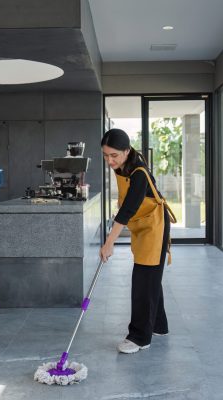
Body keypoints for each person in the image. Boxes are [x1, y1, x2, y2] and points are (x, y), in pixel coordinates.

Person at [100, 128, 176, 354]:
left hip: (154, 226)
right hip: (142, 225)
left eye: (114, 155)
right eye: (105, 155)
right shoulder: (123, 165)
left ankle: (140, 337)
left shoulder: (139, 172)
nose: (109, 160)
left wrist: (109, 243)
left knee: (144, 279)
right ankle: (159, 326)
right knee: (150, 278)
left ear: (126, 151)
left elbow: (127, 209)